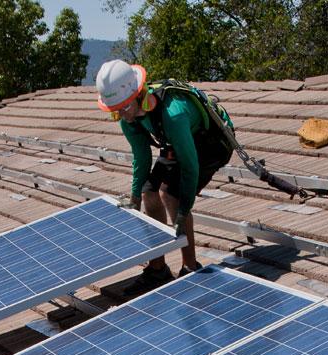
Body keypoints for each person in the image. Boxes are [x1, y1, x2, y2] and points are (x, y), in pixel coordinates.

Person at [95, 59, 233, 292]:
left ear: (139, 95)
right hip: (175, 142)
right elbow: (142, 158)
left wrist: (182, 211)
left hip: (210, 143)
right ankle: (157, 268)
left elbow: (189, 166)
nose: (122, 116)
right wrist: (134, 200)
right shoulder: (128, 116)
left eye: (124, 108)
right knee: (149, 192)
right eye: (115, 112)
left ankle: (190, 267)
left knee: (170, 194)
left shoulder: (173, 114)